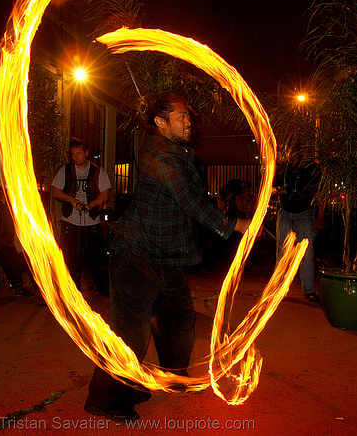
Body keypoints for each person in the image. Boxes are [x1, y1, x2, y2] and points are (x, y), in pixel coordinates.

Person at [84, 93, 250, 422]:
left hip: (166, 255)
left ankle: (173, 378)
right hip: (137, 255)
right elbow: (191, 201)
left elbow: (191, 199)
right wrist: (237, 224)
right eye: (180, 116)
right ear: (161, 122)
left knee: (179, 323)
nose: (188, 121)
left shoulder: (176, 152)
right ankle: (105, 399)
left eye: (189, 115)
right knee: (128, 335)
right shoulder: (158, 154)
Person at [52, 138, 111, 295]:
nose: (75, 157)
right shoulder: (65, 170)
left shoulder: (98, 171)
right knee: (71, 260)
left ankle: (104, 291)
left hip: (92, 222)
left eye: (79, 153)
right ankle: (72, 292)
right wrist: (72, 200)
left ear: (86, 153)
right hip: (70, 222)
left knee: (96, 260)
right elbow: (55, 191)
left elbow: (105, 194)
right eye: (73, 154)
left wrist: (91, 205)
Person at [275, 162, 324, 303]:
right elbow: (276, 187)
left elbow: (319, 193)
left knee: (306, 252)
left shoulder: (312, 168)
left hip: (304, 212)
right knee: (282, 250)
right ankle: (279, 288)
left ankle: (308, 289)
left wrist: (319, 217)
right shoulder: (285, 167)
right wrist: (278, 193)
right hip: (286, 211)